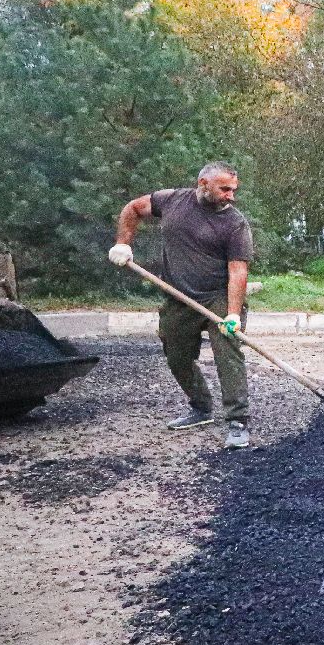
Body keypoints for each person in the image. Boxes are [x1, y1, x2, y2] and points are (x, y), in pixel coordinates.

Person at [108, 162, 255, 449]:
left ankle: (237, 421)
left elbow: (238, 271)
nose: (231, 196)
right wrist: (123, 244)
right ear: (203, 184)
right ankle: (200, 407)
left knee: (228, 355)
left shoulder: (235, 223)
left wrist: (234, 314)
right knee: (176, 354)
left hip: (219, 297)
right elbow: (133, 208)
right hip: (178, 296)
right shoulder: (172, 200)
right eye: (225, 189)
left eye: (233, 190)